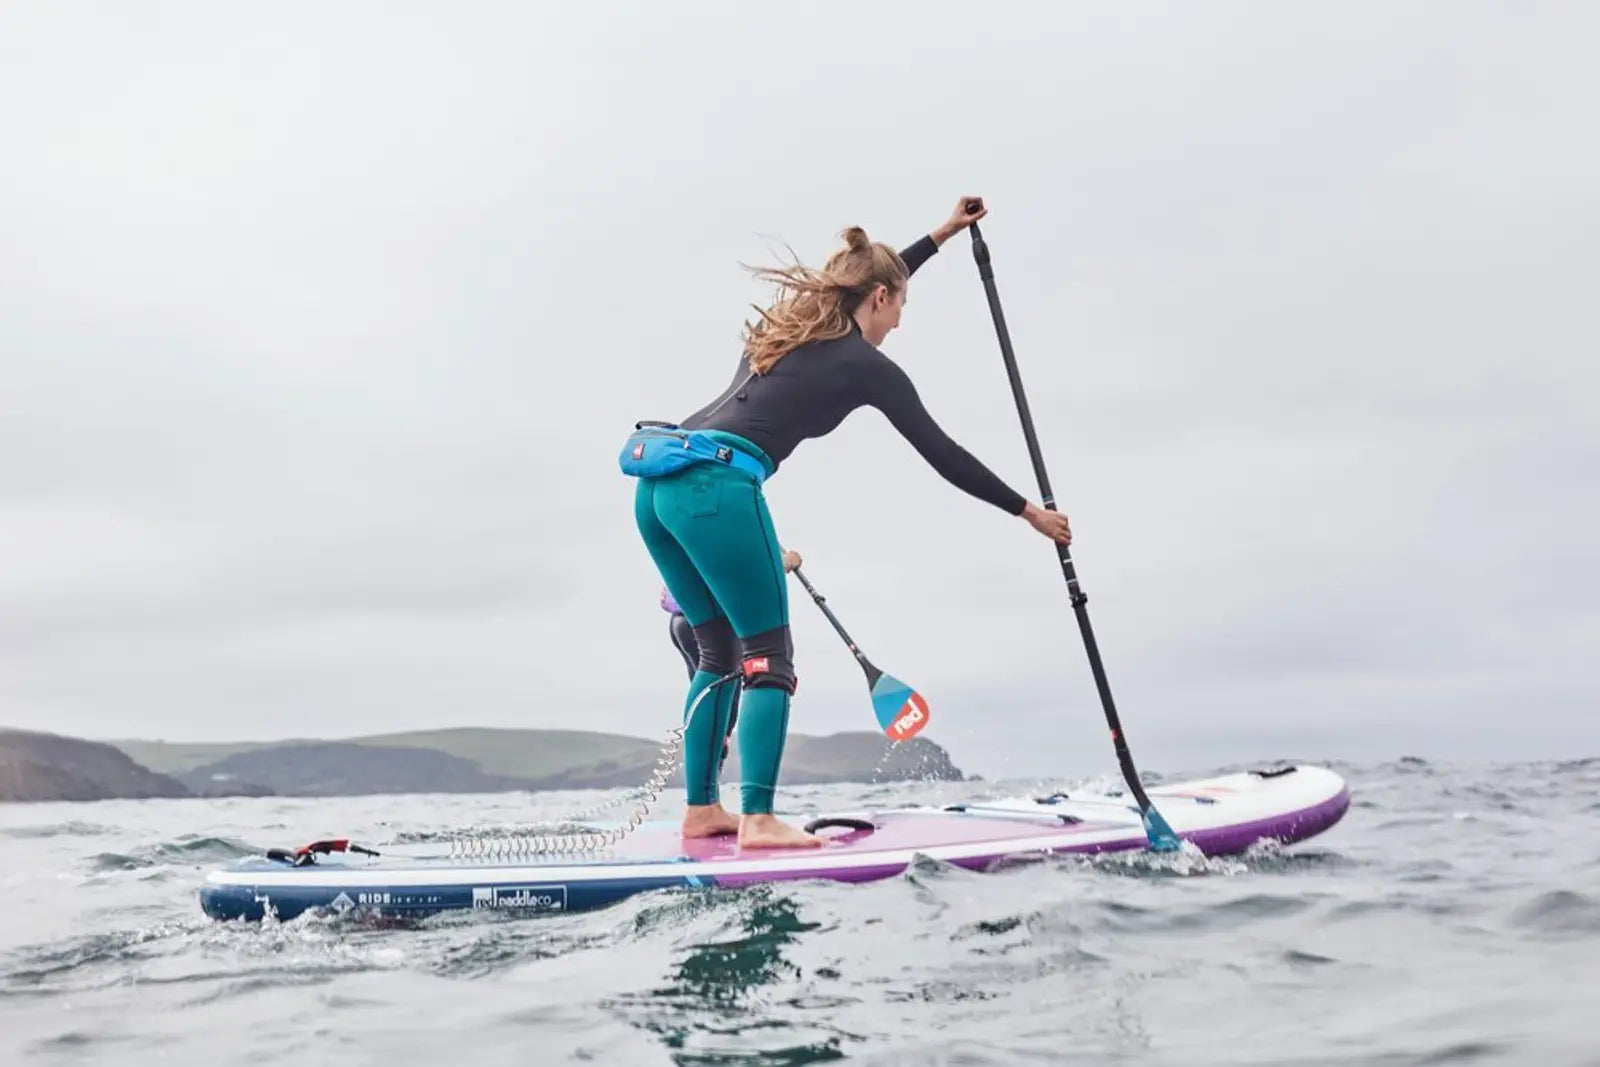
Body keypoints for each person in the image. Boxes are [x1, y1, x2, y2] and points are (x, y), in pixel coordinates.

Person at [628, 196, 1073, 849]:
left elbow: (870, 275)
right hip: (716, 486)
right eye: (900, 308)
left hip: (656, 484)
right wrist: (1027, 510)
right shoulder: (865, 364)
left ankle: (703, 810)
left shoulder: (786, 327)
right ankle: (757, 818)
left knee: (717, 649)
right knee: (767, 657)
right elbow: (942, 453)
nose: (898, 324)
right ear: (881, 298)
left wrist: (943, 234)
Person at [660, 549, 802, 762]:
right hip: (708, 625)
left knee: (707, 698)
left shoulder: (690, 528)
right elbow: (741, 574)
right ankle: (709, 777)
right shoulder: (723, 530)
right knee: (723, 702)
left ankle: (705, 778)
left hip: (681, 623)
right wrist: (785, 563)